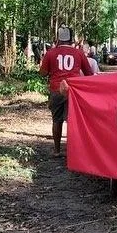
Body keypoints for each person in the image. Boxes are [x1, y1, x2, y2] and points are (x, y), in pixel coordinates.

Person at [39, 26, 95, 156]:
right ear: (71, 38)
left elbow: (42, 73)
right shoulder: (79, 53)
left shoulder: (51, 53)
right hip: (73, 91)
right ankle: (74, 152)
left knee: (56, 120)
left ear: (58, 38)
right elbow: (89, 73)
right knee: (73, 121)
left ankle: (57, 150)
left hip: (56, 89)